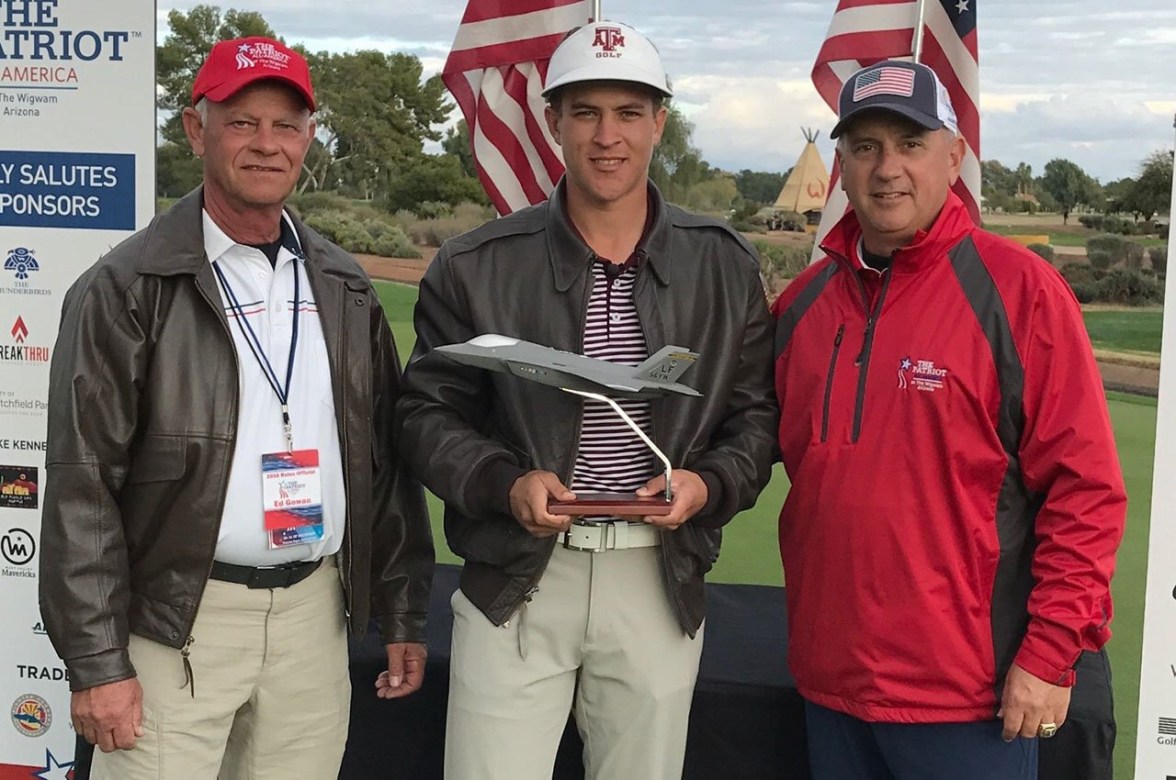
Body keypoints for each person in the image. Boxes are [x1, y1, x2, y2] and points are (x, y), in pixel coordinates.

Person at [39, 36, 433, 780]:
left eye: (286, 126)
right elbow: (82, 487)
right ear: (197, 130)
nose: (266, 144)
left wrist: (403, 609)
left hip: (314, 617)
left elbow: (382, 465)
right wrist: (97, 663)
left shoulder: (344, 286)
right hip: (176, 625)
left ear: (308, 139)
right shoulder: (125, 287)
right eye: (243, 122)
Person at [395, 20, 777, 780]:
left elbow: (756, 418)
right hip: (518, 577)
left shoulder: (723, 264)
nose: (608, 136)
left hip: (657, 575)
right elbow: (425, 414)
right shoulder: (476, 264)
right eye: (586, 113)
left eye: (629, 112)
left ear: (659, 122)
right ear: (553, 122)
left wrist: (708, 485)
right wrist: (503, 483)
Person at [770, 60, 1127, 780]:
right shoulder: (803, 302)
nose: (887, 168)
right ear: (842, 164)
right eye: (865, 147)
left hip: (969, 703)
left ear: (954, 155)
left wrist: (1050, 653)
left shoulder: (1019, 292)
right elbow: (744, 439)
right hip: (831, 686)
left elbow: (1086, 490)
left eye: (910, 143)